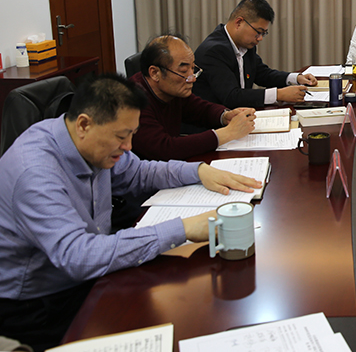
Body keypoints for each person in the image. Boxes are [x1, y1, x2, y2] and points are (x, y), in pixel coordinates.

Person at [0, 74, 261, 350]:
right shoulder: (36, 173)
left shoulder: (90, 141)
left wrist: (198, 171)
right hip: (39, 304)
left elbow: (138, 172)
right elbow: (79, 256)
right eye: (121, 137)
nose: (128, 147)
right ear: (84, 124)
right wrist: (182, 228)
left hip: (88, 275)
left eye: (132, 135)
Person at [131, 34, 256, 161]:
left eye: (193, 68)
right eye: (184, 71)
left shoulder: (172, 91)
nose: (193, 78)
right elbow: (164, 149)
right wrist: (227, 133)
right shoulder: (133, 101)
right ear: (155, 73)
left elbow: (199, 109)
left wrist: (225, 116)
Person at [193, 0, 317, 108]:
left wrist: (296, 78)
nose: (260, 38)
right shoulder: (214, 51)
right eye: (258, 32)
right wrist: (278, 94)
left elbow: (262, 74)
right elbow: (231, 96)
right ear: (239, 22)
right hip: (215, 122)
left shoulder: (246, 45)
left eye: (263, 33)